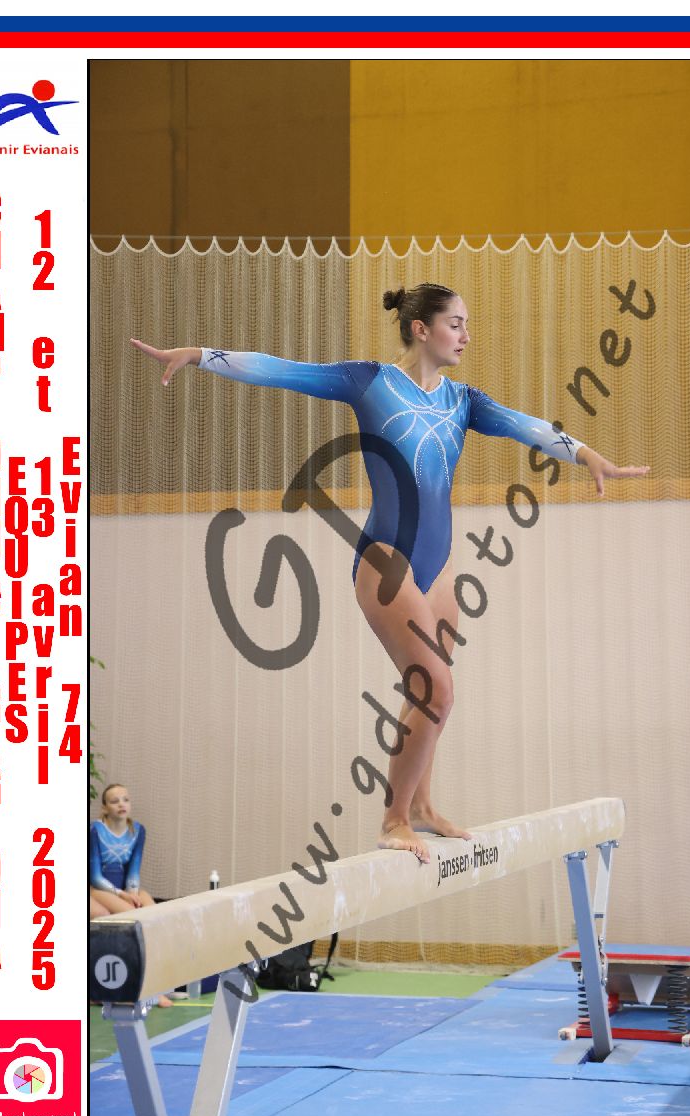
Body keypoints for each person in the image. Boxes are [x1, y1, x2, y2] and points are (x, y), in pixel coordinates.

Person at [132, 283, 649, 863]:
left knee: (424, 693)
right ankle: (393, 818)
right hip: (386, 561)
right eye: (455, 324)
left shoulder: (463, 400)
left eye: (467, 323)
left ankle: (421, 806)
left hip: (439, 565)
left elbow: (524, 425)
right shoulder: (369, 382)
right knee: (437, 690)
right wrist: (199, 356)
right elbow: (282, 371)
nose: (466, 335)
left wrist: (585, 453)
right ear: (421, 329)